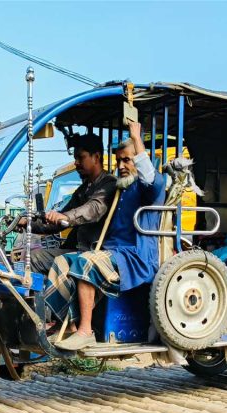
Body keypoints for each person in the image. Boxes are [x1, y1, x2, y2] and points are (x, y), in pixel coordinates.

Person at [44, 121, 165, 351]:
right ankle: (69, 325)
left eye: (126, 160)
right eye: (118, 160)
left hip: (135, 258)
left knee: (85, 262)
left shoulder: (150, 187)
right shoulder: (122, 188)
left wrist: (136, 138)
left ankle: (85, 331)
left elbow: (148, 174)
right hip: (112, 253)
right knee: (62, 262)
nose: (120, 165)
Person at [24, 134, 116, 273]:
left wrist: (66, 217)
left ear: (96, 157)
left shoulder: (109, 184)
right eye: (75, 158)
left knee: (34, 258)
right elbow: (57, 221)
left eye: (81, 157)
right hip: (79, 249)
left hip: (95, 252)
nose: (76, 163)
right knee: (31, 254)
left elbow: (93, 208)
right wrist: (28, 223)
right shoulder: (83, 189)